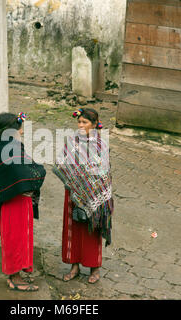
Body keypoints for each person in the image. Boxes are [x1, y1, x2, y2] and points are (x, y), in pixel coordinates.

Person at [0, 112, 46, 292]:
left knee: (19, 238)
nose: (21, 131)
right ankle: (14, 277)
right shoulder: (10, 147)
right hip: (14, 203)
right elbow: (22, 173)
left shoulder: (3, 145)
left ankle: (16, 274)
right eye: (19, 128)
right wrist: (39, 171)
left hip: (17, 202)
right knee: (15, 239)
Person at [53, 108, 114, 284]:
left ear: (94, 125)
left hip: (93, 194)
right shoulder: (72, 141)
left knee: (91, 230)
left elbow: (104, 171)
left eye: (84, 122)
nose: (80, 125)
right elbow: (62, 162)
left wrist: (91, 185)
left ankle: (94, 268)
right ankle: (74, 266)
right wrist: (76, 180)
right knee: (73, 228)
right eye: (79, 122)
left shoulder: (101, 144)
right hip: (73, 192)